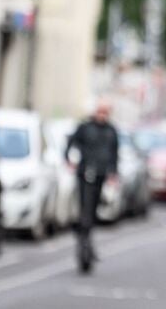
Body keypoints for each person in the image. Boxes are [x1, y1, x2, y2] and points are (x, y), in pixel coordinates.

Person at [65, 101, 119, 272]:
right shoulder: (85, 128)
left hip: (101, 176)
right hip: (85, 174)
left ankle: (86, 236)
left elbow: (114, 154)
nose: (102, 115)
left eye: (105, 112)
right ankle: (84, 242)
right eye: (100, 112)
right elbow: (70, 144)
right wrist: (68, 160)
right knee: (86, 209)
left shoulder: (111, 131)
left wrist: (113, 173)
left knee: (94, 209)